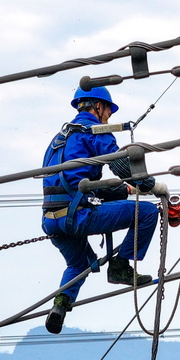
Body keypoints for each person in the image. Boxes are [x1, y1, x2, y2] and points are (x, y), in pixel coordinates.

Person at [41, 86, 160, 334]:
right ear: (98, 106)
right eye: (108, 111)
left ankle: (60, 306)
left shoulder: (57, 140)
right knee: (148, 213)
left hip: (52, 220)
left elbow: (75, 184)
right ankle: (120, 267)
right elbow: (121, 166)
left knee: (79, 264)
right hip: (78, 217)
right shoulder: (96, 131)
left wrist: (123, 192)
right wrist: (152, 186)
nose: (109, 117)